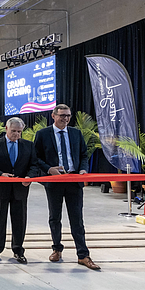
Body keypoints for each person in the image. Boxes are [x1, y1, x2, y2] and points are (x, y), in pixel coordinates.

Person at [34, 104, 100, 270]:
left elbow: (83, 155)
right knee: (54, 218)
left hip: (73, 181)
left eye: (68, 115)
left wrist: (84, 169)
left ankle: (83, 255)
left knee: (77, 219)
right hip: (54, 182)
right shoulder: (43, 134)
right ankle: (57, 249)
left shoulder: (76, 133)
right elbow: (35, 157)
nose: (65, 118)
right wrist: (49, 169)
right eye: (62, 115)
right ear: (53, 116)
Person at [0, 117, 41, 264]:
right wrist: (1, 174)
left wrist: (29, 177)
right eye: (14, 131)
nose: (16, 134)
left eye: (19, 132)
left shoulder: (28, 145)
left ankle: (18, 250)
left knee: (19, 221)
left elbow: (34, 165)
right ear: (6, 129)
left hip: (20, 189)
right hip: (1, 188)